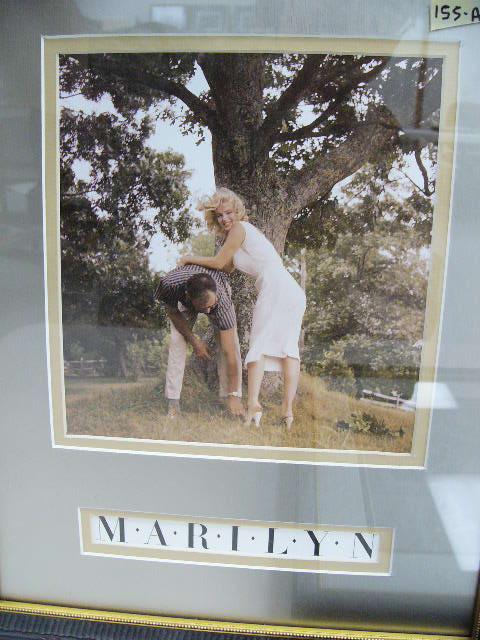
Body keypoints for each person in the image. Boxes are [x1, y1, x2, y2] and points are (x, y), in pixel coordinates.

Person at [179, 188, 306, 429]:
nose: (225, 219)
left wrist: (189, 258)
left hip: (276, 287)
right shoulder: (236, 238)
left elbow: (218, 262)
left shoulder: (239, 228)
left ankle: (253, 407)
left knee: (259, 347)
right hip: (290, 290)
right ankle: (287, 414)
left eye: (228, 213)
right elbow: (225, 267)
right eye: (219, 215)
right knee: (289, 350)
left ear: (237, 211)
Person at [155, 266, 243, 418]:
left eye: (211, 307)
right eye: (204, 308)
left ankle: (231, 398)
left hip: (217, 296)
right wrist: (195, 342)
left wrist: (234, 394)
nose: (209, 312)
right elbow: (173, 313)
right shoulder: (169, 285)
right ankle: (173, 404)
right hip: (185, 295)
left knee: (230, 346)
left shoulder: (222, 304)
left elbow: (230, 354)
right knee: (177, 342)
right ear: (188, 298)